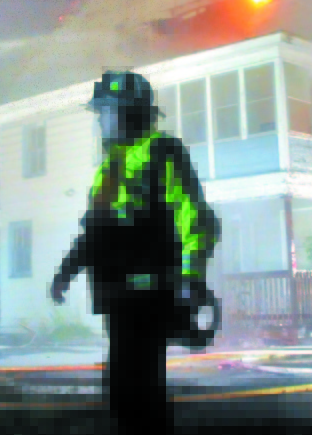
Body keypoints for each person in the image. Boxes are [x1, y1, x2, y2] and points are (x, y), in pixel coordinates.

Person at [50, 70, 220, 435]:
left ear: (129, 112)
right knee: (120, 389)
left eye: (105, 112)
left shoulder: (162, 153)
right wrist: (66, 271)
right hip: (118, 298)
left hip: (149, 295)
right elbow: (94, 232)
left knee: (142, 390)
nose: (100, 121)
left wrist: (190, 278)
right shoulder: (108, 170)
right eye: (99, 113)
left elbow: (196, 219)